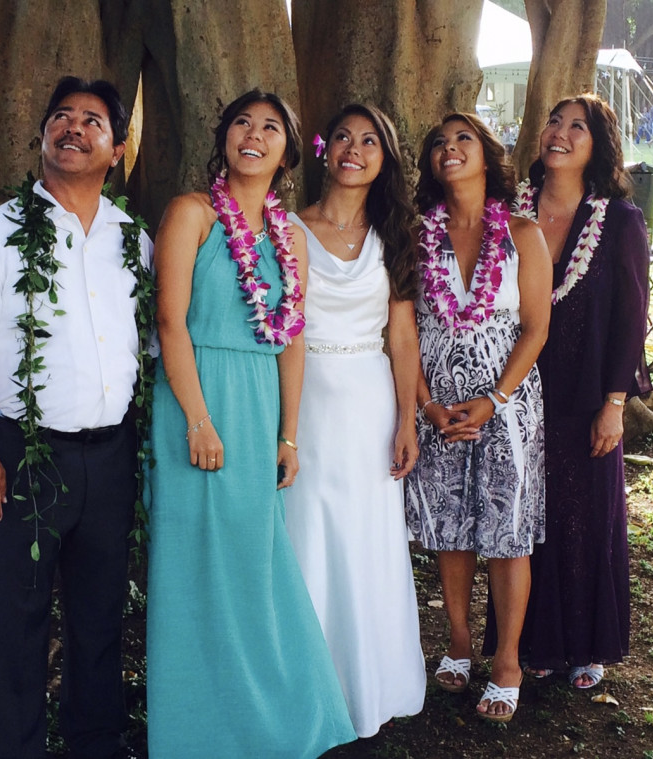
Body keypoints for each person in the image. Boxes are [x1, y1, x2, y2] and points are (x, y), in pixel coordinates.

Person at [0, 77, 153, 759]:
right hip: (20, 455)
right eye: (62, 117)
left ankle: (94, 741)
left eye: (92, 121)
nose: (74, 128)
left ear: (117, 149)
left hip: (110, 458)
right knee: (13, 618)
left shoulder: (133, 240)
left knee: (99, 614)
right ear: (42, 137)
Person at [145, 89, 356, 758]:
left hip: (259, 398)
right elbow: (170, 321)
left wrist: (288, 434)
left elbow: (291, 339)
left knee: (257, 561)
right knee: (192, 560)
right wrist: (197, 419)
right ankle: (197, 727)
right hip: (196, 399)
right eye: (242, 121)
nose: (254, 134)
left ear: (290, 152)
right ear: (224, 135)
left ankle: (271, 717)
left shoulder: (290, 234)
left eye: (270, 127)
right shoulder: (192, 214)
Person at [284, 104, 426, 738]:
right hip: (305, 397)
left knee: (367, 539)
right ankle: (305, 686)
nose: (353, 148)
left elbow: (401, 336)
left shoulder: (394, 234)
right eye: (343, 136)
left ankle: (369, 687)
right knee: (306, 534)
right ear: (324, 148)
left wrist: (406, 421)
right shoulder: (286, 228)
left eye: (370, 141)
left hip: (369, 401)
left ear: (384, 159)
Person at [404, 112, 551, 722]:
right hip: (436, 405)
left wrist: (493, 398)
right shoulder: (416, 237)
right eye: (438, 142)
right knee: (451, 530)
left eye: (463, 138)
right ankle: (459, 643)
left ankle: (508, 660)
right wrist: (427, 403)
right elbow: (403, 330)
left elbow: (536, 327)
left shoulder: (522, 233)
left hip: (507, 408)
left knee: (506, 533)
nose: (449, 149)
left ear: (487, 156)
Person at [503, 93, 652, 689]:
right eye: (553, 122)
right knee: (526, 513)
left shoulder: (619, 221)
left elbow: (632, 318)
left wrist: (615, 404)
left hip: (588, 390)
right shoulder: (509, 214)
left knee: (587, 514)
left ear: (598, 145)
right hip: (520, 385)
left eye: (577, 127)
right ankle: (535, 639)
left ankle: (588, 644)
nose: (559, 133)